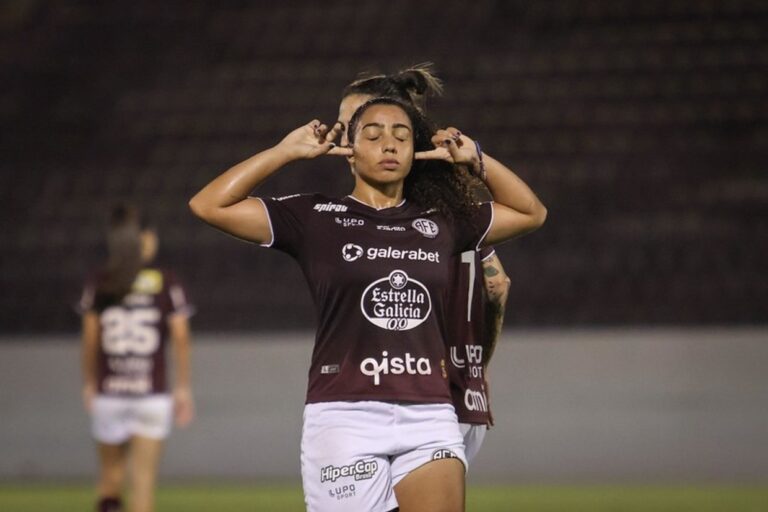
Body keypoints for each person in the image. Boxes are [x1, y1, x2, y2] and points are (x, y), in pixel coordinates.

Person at [189, 96, 545, 512]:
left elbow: (531, 213)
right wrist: (284, 152)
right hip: (345, 414)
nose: (389, 145)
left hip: (428, 411)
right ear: (350, 152)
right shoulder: (316, 217)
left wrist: (476, 158)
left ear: (415, 152)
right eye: (373, 136)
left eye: (401, 136)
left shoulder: (442, 222)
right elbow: (208, 204)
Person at [338, 65, 512, 462]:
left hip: (410, 398)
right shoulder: (453, 206)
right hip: (463, 395)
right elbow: (497, 285)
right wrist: (477, 369)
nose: (341, 137)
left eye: (351, 125)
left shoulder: (394, 211)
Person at [79, 204, 195, 512]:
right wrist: (183, 387)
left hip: (110, 392)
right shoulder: (166, 281)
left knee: (110, 479)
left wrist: (89, 382)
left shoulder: (101, 281)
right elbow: (180, 337)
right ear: (143, 238)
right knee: (142, 486)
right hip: (151, 395)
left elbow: (90, 339)